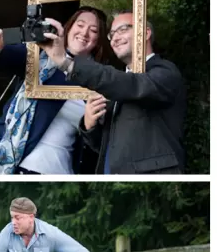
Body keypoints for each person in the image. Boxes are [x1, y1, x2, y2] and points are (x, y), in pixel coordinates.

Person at [40, 10, 187, 174]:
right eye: (111, 34)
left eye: (123, 29)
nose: (115, 38)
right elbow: (106, 147)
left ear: (145, 33)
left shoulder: (165, 72)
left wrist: (67, 63)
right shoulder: (120, 84)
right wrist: (89, 125)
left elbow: (133, 85)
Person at [0, 7, 110, 175]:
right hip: (3, 163)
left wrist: (90, 126)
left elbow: (99, 144)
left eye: (94, 30)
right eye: (80, 25)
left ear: (98, 40)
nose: (84, 33)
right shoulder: (40, 55)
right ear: (68, 28)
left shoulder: (100, 79)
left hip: (56, 172)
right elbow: (5, 57)